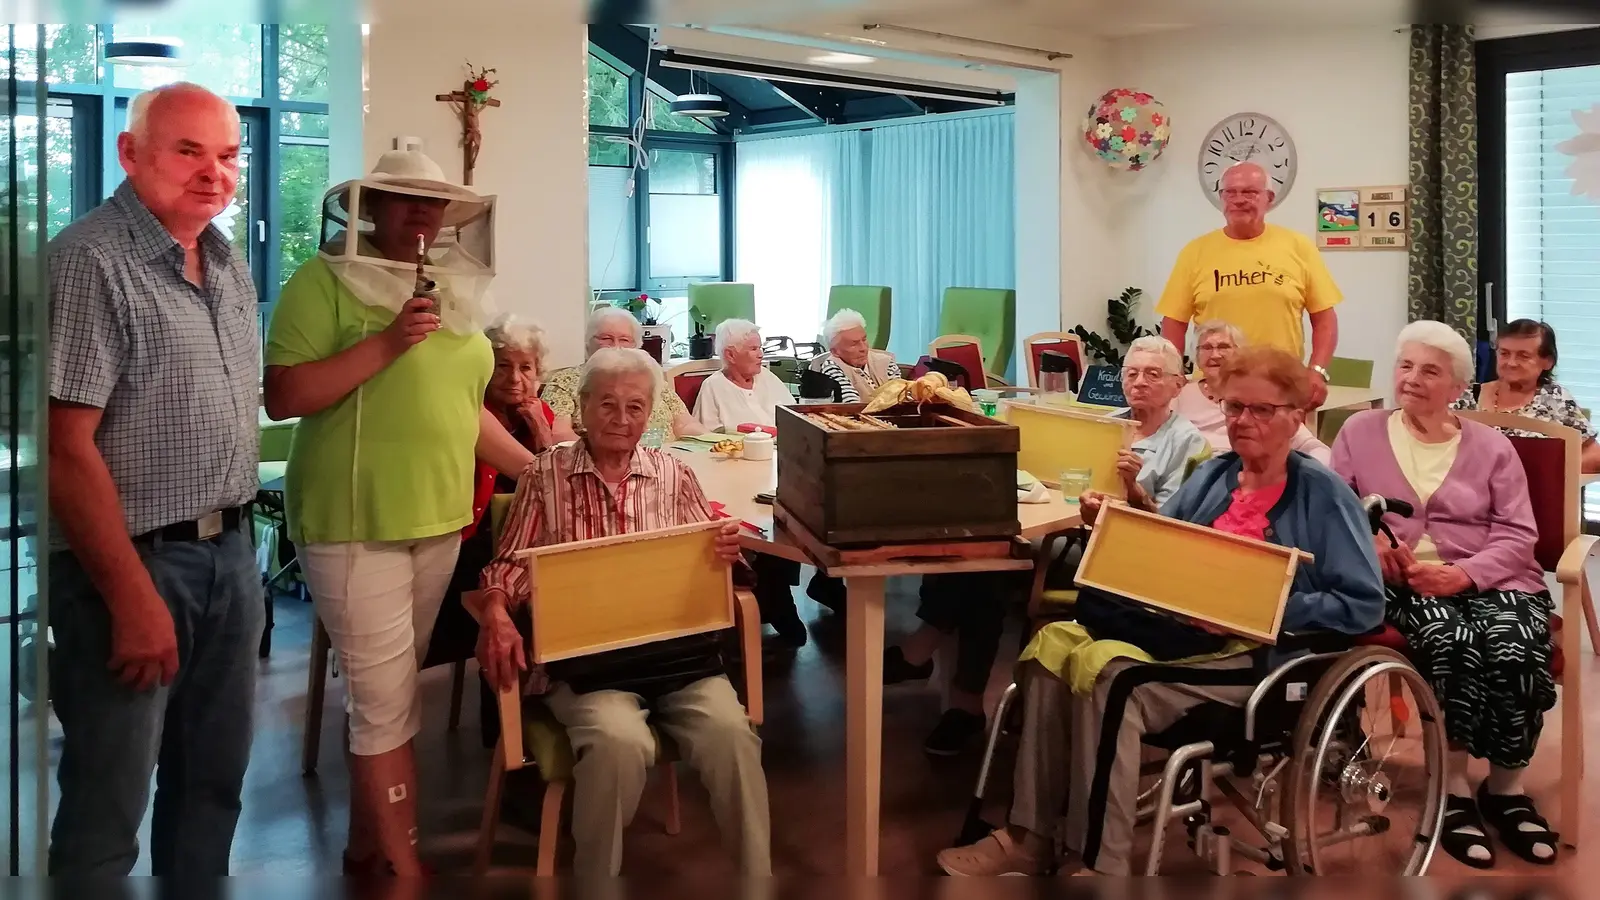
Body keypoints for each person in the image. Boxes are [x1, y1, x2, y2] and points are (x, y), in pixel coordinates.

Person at [938, 347, 1385, 875]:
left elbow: (1363, 603)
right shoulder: (1215, 475)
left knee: (1115, 680)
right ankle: (1030, 836)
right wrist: (1118, 525)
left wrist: (1260, 603)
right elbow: (1161, 543)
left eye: (1261, 410)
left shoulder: (1322, 494)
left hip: (1256, 654)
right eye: (1235, 407)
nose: (1243, 421)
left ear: (1295, 415)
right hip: (1177, 633)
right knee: (1050, 649)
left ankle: (1100, 863)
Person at [263, 149, 536, 876]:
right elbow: (284, 397)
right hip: (355, 521)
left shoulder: (454, 292)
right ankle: (405, 877)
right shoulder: (320, 282)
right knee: (386, 707)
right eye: (402, 198)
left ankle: (365, 849)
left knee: (388, 696)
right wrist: (388, 343)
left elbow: (461, 411)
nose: (421, 213)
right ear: (369, 207)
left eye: (433, 201)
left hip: (441, 519)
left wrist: (542, 473)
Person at [46, 82, 263, 876]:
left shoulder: (228, 262)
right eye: (188, 151)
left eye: (229, 156)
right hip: (133, 569)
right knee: (109, 802)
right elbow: (65, 448)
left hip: (230, 557)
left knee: (214, 785)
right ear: (131, 154)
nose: (214, 172)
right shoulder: (89, 261)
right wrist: (131, 598)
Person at [476, 348, 771, 876]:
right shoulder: (547, 474)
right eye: (607, 404)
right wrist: (496, 610)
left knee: (733, 735)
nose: (621, 418)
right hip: (587, 665)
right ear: (583, 407)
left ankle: (757, 881)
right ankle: (597, 883)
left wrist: (728, 554)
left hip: (675, 658)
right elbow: (512, 564)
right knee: (618, 742)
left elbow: (713, 565)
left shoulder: (674, 472)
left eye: (636, 407)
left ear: (650, 413)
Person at [884, 336, 1209, 757]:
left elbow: (1173, 531)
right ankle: (959, 700)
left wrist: (1134, 491)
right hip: (1073, 533)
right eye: (1132, 373)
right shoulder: (1109, 423)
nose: (1140, 382)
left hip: (1123, 558)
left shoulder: (1185, 441)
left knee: (991, 570)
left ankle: (932, 663)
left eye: (1153, 374)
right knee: (977, 556)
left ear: (1177, 384)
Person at [1333, 320, 1558, 869]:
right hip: (1403, 586)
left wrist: (1466, 574)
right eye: (1405, 366)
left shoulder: (1492, 446)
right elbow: (1335, 516)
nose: (1412, 379)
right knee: (1451, 643)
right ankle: (1454, 791)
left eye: (1429, 370)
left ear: (1457, 385)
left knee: (1515, 646)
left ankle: (1506, 789)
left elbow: (1518, 534)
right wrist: (1374, 555)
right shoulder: (1358, 431)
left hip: (1493, 579)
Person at [424, 315, 557, 750]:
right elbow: (548, 475)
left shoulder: (540, 412)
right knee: (518, 609)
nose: (516, 379)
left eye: (527, 368)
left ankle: (555, 720)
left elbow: (568, 480)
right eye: (503, 366)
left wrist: (540, 427)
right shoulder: (469, 410)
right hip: (469, 550)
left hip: (526, 548)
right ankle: (506, 743)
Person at [1156, 161, 1342, 407]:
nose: (1238, 199)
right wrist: (1174, 374)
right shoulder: (1195, 252)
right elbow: (1174, 323)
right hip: (1214, 391)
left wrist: (1317, 370)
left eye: (1250, 192)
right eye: (1230, 192)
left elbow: (1324, 319)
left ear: (1269, 198)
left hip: (1281, 387)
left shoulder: (1298, 246)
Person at [1453, 318, 1600, 473]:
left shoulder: (1556, 399)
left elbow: (1594, 456)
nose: (1511, 363)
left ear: (1547, 362)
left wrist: (1547, 472)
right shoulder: (1467, 396)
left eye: (1523, 356)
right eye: (1504, 353)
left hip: (1534, 494)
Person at [1175, 320, 1331, 463]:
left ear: (1240, 353)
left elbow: (1313, 447)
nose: (1215, 355)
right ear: (1196, 355)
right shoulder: (1179, 395)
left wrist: (1307, 476)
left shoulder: (1259, 395)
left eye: (1224, 347)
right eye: (1207, 348)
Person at [544, 306, 706, 441]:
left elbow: (684, 424)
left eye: (624, 340)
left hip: (666, 462)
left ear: (637, 346)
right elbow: (559, 434)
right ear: (587, 344)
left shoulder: (652, 380)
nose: (616, 346)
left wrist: (718, 441)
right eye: (606, 338)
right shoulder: (564, 382)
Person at [694, 318, 794, 432]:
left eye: (760, 348)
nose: (760, 354)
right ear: (730, 355)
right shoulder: (712, 387)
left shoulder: (767, 376)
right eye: (753, 349)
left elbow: (795, 416)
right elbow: (706, 436)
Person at [808, 308, 901, 403]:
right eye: (854, 344)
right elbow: (850, 404)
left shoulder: (886, 361)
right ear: (835, 351)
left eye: (864, 340)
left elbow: (899, 397)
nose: (863, 348)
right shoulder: (832, 365)